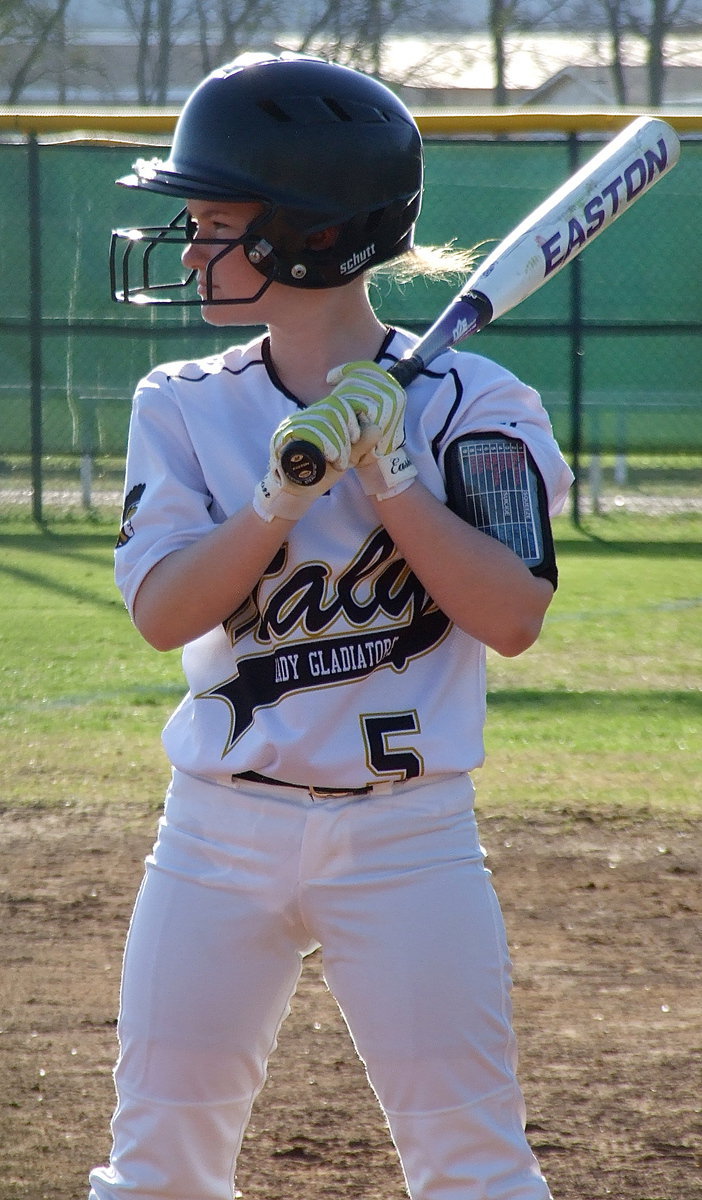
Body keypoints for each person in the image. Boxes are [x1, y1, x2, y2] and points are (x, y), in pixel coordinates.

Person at [91, 53, 573, 1200]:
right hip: (214, 833)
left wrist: (396, 477)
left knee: (472, 1166)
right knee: (156, 1166)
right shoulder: (184, 402)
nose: (191, 246)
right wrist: (283, 496)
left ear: (308, 235)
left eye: (214, 222)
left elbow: (511, 618)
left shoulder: (477, 407)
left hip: (409, 838)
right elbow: (166, 615)